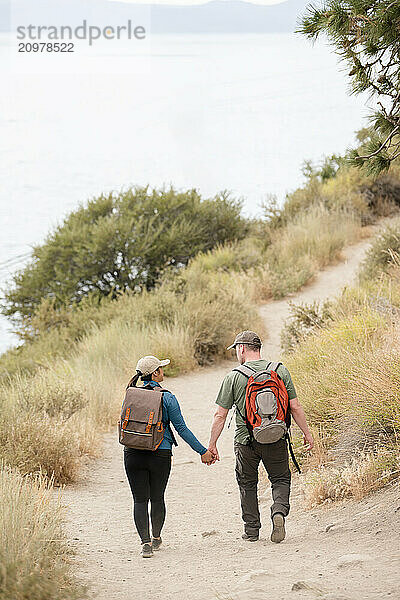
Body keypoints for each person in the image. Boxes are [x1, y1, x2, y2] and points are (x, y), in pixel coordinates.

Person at [208, 331, 314, 543]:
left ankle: (252, 530)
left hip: (245, 440)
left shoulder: (233, 376)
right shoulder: (279, 370)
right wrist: (306, 432)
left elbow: (220, 414)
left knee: (247, 483)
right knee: (281, 478)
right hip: (276, 436)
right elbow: (295, 406)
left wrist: (212, 445)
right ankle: (278, 513)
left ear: (241, 348)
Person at [124, 355, 215, 558]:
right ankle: (156, 538)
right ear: (155, 373)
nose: (163, 372)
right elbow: (181, 429)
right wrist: (203, 452)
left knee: (139, 500)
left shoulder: (131, 394)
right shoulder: (167, 397)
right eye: (161, 369)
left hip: (132, 453)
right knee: (157, 497)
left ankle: (145, 544)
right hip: (160, 453)